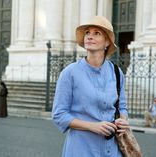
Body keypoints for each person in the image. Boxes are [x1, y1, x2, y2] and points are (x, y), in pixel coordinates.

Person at [52, 16, 129, 157]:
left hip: (113, 150)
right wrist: (92, 126)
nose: (89, 36)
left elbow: (122, 107)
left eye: (96, 33)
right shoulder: (70, 73)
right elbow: (59, 115)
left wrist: (123, 120)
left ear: (107, 42)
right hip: (81, 149)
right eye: (87, 33)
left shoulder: (117, 73)